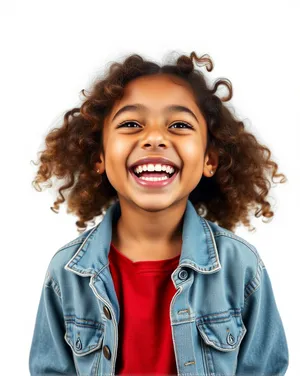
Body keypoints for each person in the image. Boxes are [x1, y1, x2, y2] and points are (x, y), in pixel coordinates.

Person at [28, 51, 289, 376]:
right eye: (131, 124)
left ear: (210, 158)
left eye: (179, 124)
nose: (154, 138)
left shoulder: (241, 267)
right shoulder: (67, 273)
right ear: (100, 157)